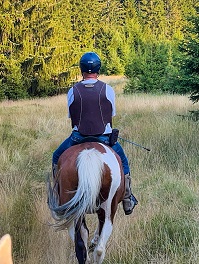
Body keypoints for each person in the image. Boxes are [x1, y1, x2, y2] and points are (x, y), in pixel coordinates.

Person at [52, 52, 138, 215]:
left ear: (81, 68)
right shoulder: (108, 89)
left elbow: (72, 116)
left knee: (56, 157)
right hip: (104, 138)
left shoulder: (72, 90)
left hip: (77, 138)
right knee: (123, 161)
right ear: (98, 68)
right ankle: (127, 198)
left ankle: (59, 196)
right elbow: (111, 114)